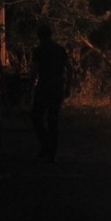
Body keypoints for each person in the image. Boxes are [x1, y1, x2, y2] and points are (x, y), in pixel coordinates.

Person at [31, 24, 72, 162]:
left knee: (36, 117)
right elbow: (69, 68)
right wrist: (68, 86)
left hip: (44, 87)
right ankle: (52, 150)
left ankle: (46, 144)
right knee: (52, 119)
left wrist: (30, 87)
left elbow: (35, 71)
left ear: (40, 36)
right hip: (57, 87)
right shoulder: (60, 50)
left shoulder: (38, 51)